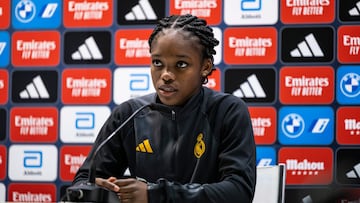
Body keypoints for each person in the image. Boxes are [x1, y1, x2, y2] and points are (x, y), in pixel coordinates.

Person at [71, 14, 256, 203]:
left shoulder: (228, 111)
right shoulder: (129, 114)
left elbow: (238, 191)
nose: (166, 75)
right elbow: (81, 183)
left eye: (181, 65)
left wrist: (155, 194)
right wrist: (97, 190)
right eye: (157, 63)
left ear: (205, 67)